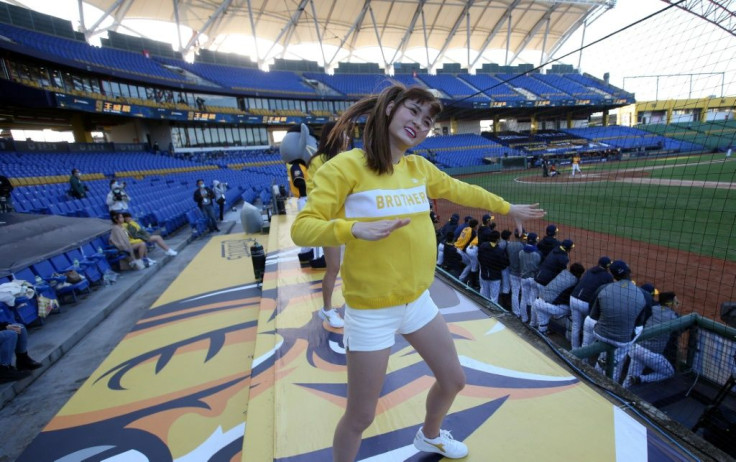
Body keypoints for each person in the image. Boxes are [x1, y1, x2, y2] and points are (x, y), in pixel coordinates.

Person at [291, 84, 545, 461]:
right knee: (361, 415)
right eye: (414, 111)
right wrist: (352, 229)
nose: (420, 124)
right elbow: (302, 228)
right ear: (390, 108)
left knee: (454, 380)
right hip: (370, 311)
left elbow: (463, 190)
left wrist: (508, 207)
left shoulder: (418, 167)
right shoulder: (345, 167)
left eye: (428, 121)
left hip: (417, 302)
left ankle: (429, 435)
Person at [305, 120, 346, 328]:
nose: (347, 137)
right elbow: (314, 192)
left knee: (351, 265)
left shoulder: (347, 158)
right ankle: (327, 309)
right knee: (334, 267)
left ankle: (353, 303)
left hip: (350, 221)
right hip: (330, 221)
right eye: (343, 133)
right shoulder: (318, 161)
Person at [584, 260, 648, 382]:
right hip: (622, 341)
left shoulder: (604, 288)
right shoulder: (641, 294)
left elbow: (594, 316)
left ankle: (597, 370)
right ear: (629, 272)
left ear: (613, 275)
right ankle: (615, 359)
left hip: (600, 334)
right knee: (637, 331)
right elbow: (639, 323)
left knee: (604, 354)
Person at [623, 291, 680, 387]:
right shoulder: (674, 317)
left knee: (630, 378)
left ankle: (622, 390)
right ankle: (642, 379)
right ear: (670, 302)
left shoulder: (652, 309)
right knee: (669, 372)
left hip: (636, 348)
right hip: (651, 355)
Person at [568, 256, 613, 349]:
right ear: (607, 267)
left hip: (573, 298)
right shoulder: (608, 277)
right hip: (585, 303)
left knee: (576, 325)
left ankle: (574, 349)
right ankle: (584, 353)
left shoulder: (589, 270)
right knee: (587, 329)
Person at [531, 262, 585, 335]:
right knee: (573, 310)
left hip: (537, 302)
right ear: (578, 274)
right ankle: (558, 317)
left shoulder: (563, 272)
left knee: (542, 326)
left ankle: (542, 333)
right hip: (550, 307)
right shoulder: (575, 281)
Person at [477, 230, 509, 303]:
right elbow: (504, 264)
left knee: (485, 295)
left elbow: (479, 258)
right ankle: (492, 312)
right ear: (497, 239)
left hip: (484, 274)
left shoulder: (482, 246)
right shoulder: (499, 251)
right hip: (495, 277)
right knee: (494, 298)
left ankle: (485, 310)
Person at [519, 232, 542, 323]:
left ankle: (524, 318)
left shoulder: (521, 252)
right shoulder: (538, 254)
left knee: (523, 299)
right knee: (533, 300)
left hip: (523, 278)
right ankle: (533, 322)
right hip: (533, 279)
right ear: (535, 241)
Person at [506, 230, 527, 320]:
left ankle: (516, 312)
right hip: (521, 274)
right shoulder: (523, 247)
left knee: (515, 293)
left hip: (512, 272)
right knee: (523, 294)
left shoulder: (509, 244)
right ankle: (524, 315)